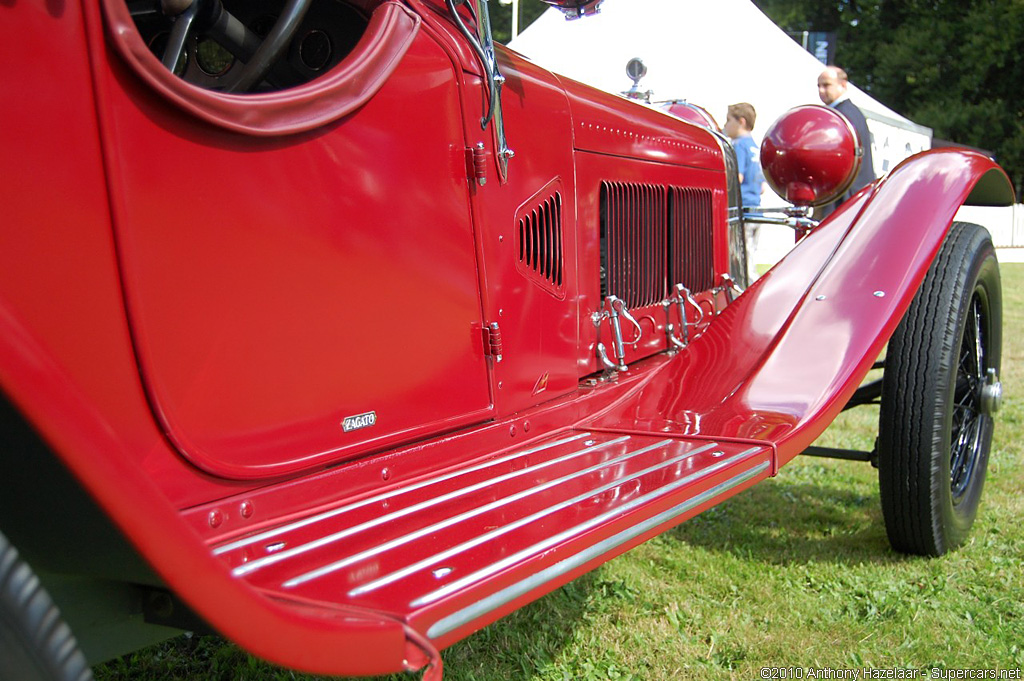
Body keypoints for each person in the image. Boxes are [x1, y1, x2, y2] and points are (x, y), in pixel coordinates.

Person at [817, 66, 876, 213]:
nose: (821, 91)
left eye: (826, 85)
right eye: (819, 86)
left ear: (843, 85)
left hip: (843, 202)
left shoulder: (841, 117)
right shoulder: (850, 113)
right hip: (852, 199)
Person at [724, 102, 765, 283]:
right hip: (756, 210)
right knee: (751, 257)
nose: (725, 125)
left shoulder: (738, 146)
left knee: (741, 264)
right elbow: (762, 186)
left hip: (742, 212)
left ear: (741, 122)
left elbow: (736, 178)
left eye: (728, 120)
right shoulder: (755, 147)